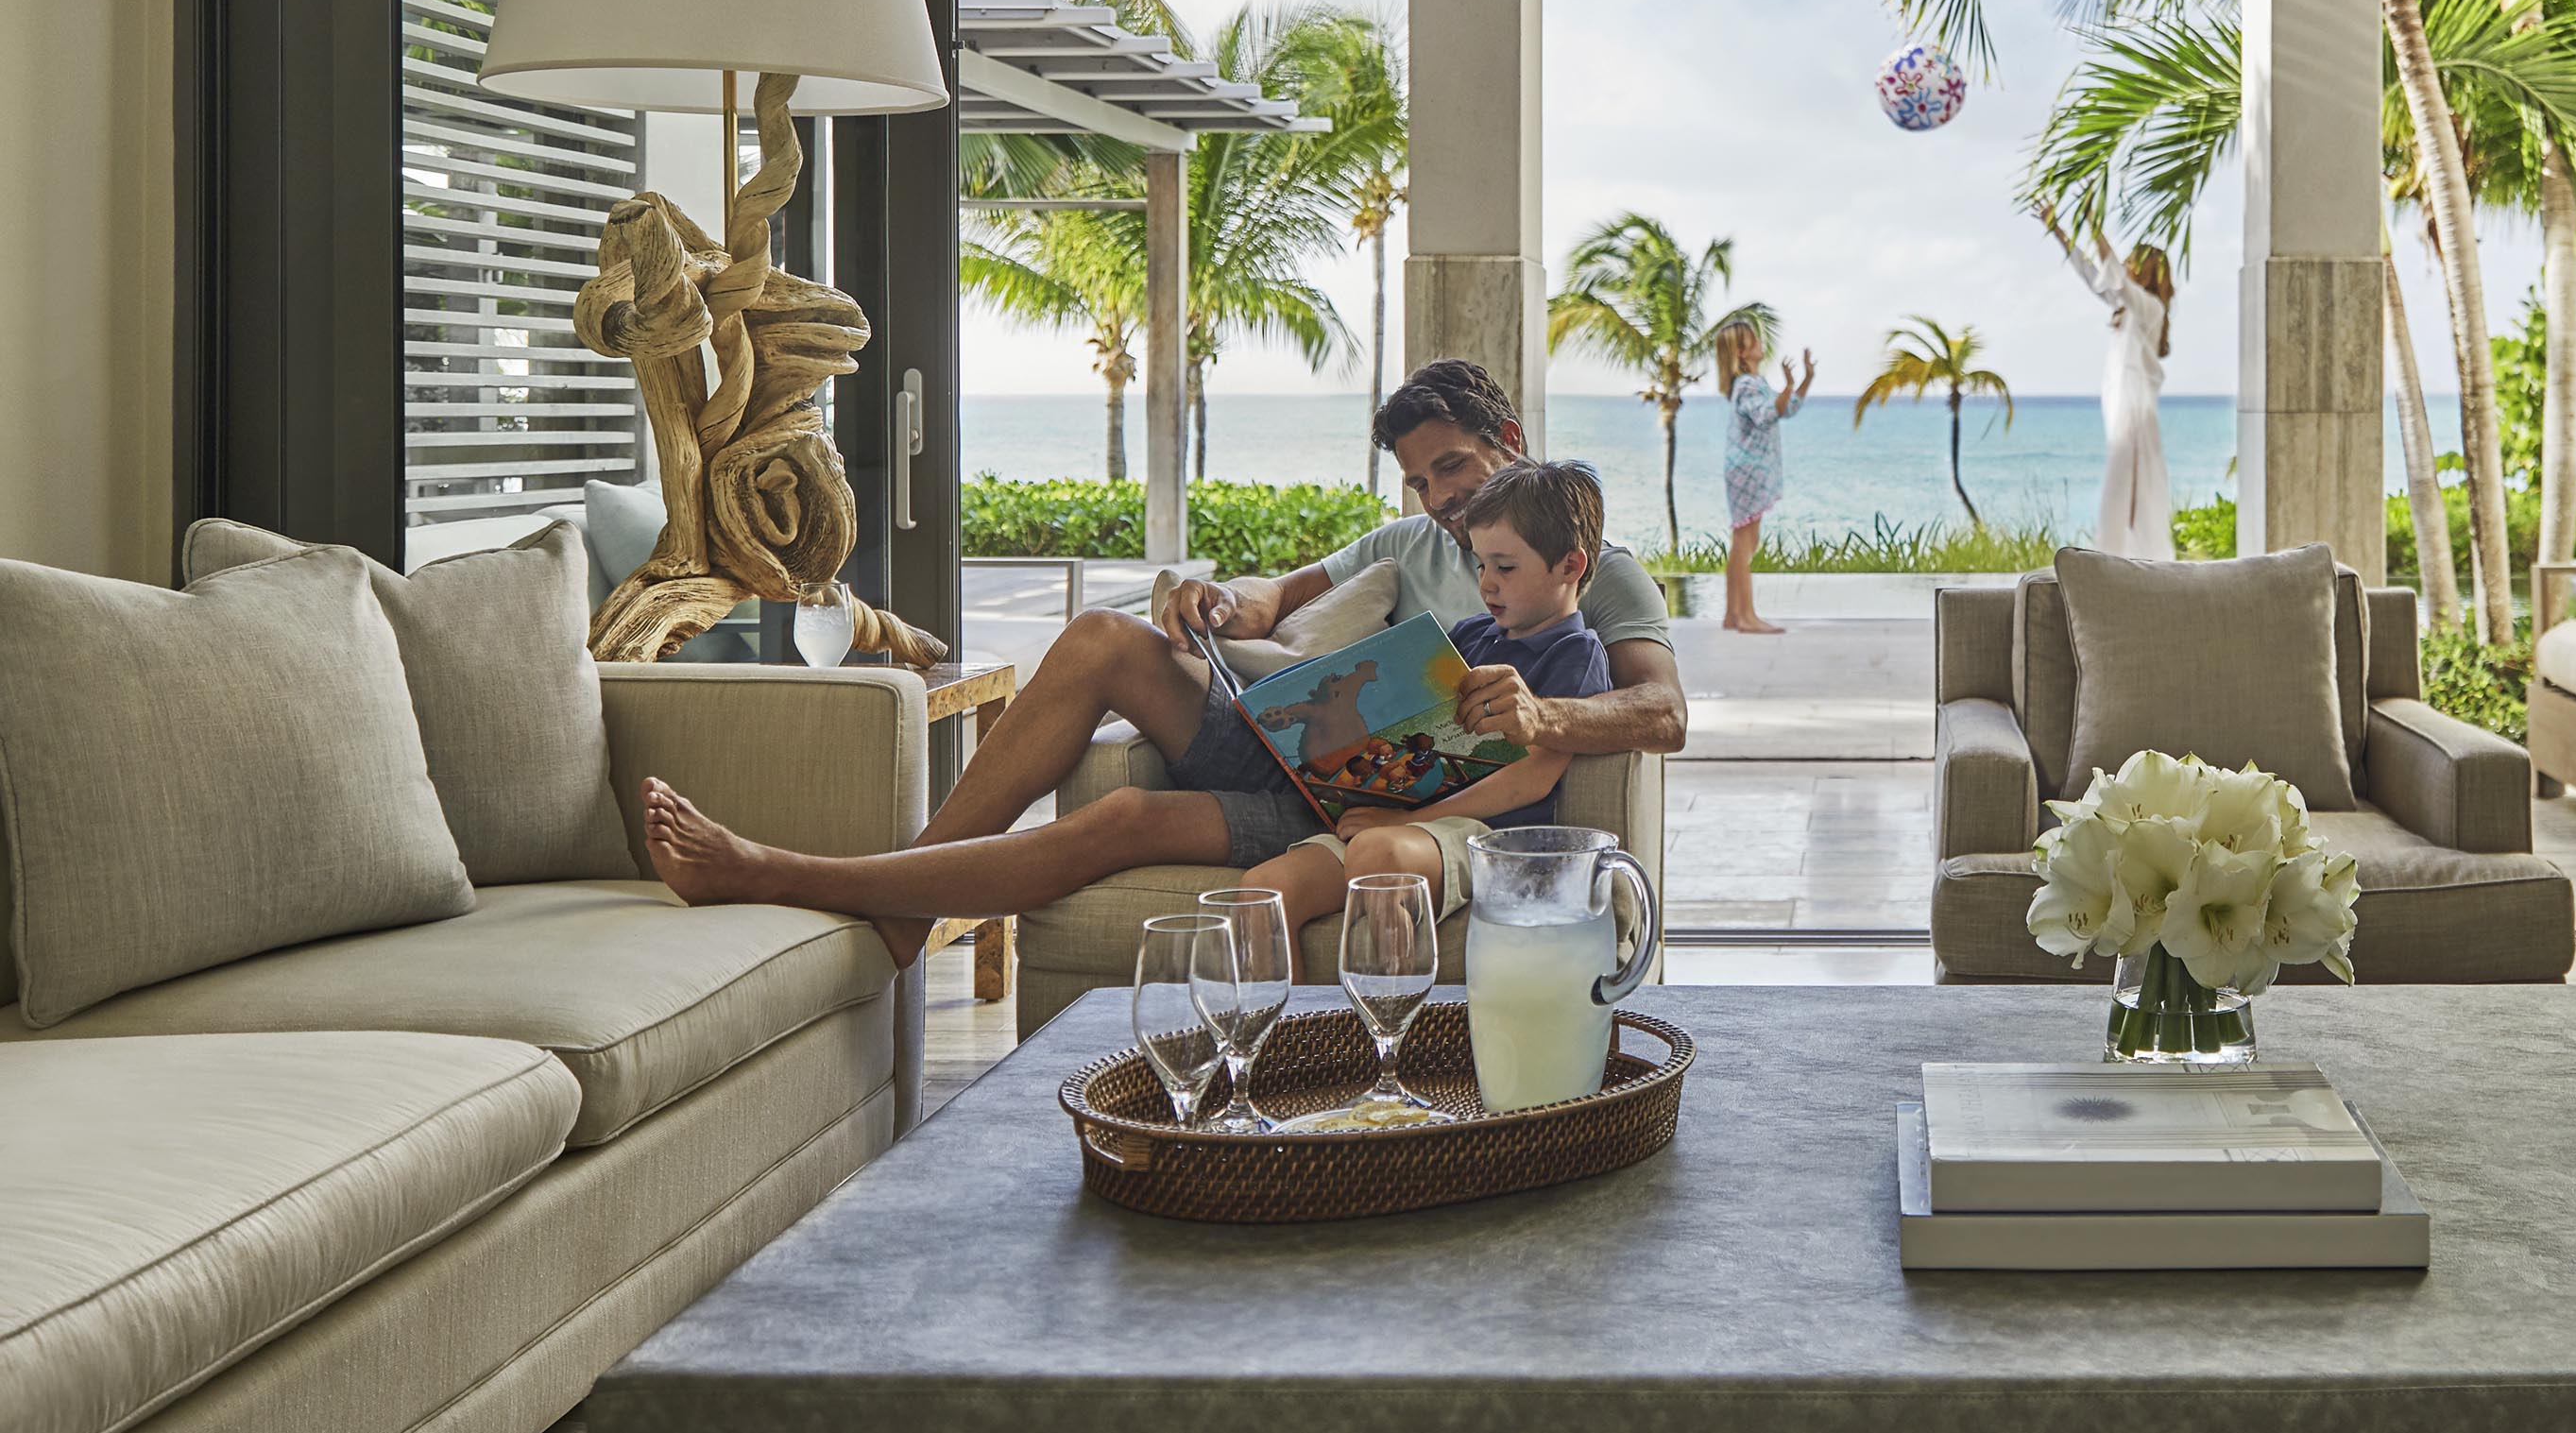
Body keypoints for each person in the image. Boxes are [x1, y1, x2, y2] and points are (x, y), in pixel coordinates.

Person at [633, 358, 1686, 973]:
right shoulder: (1404, 544)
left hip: (1356, 803)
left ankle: (815, 881)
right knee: (1100, 635)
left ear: (1507, 440)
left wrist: (1544, 718)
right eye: (1417, 479)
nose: (1439, 499)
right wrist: (1211, 601)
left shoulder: (1593, 576)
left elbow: (1659, 709)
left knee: (1119, 823)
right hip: (1298, 744)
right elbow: (1270, 602)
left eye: (1453, 466)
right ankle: (911, 896)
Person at [1220, 456, 1615, 952]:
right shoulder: (1470, 634)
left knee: (1377, 852)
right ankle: (1299, 1032)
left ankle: (1395, 1023)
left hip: (1480, 834)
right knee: (1263, 894)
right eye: (1480, 563)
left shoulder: (1575, 655)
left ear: (1570, 567)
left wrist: (1404, 822)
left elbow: (1531, 778)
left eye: (1505, 567)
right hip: (1405, 815)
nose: (1486, 582)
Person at [2039, 208, 2174, 560]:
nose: (2126, 264)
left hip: (2134, 406)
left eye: (2133, 262)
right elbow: (2091, 272)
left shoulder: (2150, 307)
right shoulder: (2126, 306)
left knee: (2130, 488)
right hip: (2121, 404)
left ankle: (2124, 560)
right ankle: (2124, 559)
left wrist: (2092, 222)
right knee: (2128, 487)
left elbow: (2111, 272)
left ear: (2144, 271)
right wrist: (2058, 230)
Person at [1712, 319, 1816, 637]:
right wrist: (1786, 387)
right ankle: (1747, 617)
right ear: (1741, 353)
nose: (1760, 342)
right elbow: (1767, 414)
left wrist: (1804, 380)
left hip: (1749, 469)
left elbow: (1786, 409)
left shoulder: (1753, 382)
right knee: (1746, 541)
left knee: (1743, 540)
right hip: (1748, 470)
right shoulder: (1746, 385)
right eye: (1753, 340)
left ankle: (1733, 614)